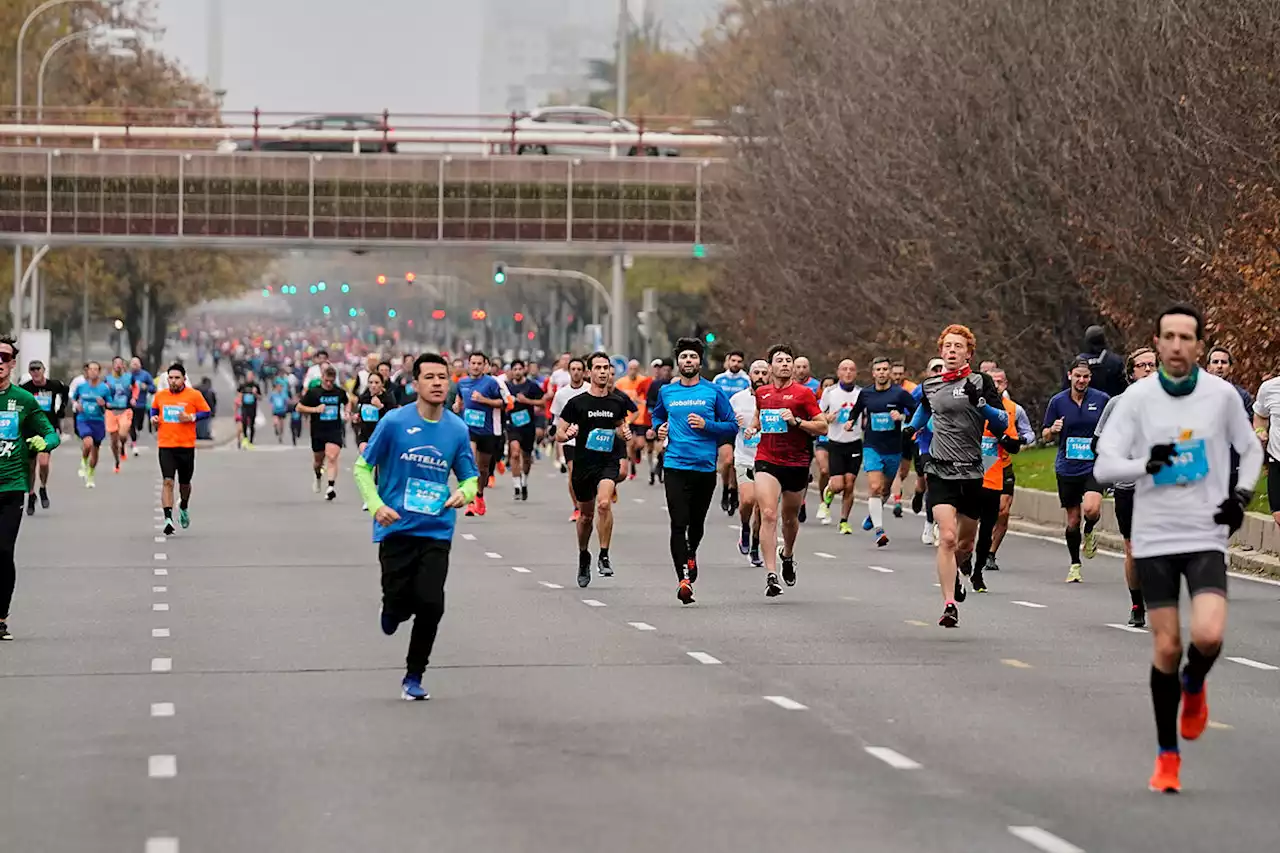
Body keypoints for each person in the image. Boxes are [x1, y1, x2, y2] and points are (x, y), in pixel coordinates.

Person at [1094, 304, 1262, 794]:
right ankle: (1167, 756)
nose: (1176, 345)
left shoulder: (1221, 395)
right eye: (1167, 336)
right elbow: (1106, 466)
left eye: (1186, 337)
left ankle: (1194, 683)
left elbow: (1249, 448)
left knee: (1207, 636)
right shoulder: (1138, 398)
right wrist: (1146, 464)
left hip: (1205, 531)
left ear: (1199, 345)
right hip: (1155, 534)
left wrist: (1241, 497)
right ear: (1158, 341)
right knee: (1166, 645)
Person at [353, 352, 479, 701]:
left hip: (436, 528)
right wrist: (376, 505)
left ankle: (414, 675)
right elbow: (363, 468)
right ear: (416, 383)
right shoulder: (394, 422)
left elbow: (470, 476)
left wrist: (464, 493)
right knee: (399, 602)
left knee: (431, 603)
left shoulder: (456, 428)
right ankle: (391, 608)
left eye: (443, 377)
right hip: (396, 527)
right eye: (430, 377)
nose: (438, 383)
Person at [908, 325, 1008, 627]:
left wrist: (982, 404)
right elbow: (923, 415)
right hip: (939, 469)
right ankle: (949, 603)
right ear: (941, 351)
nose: (952, 351)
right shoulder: (931, 385)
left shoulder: (981, 381)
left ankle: (961, 573)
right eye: (947, 346)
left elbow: (1001, 421)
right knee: (947, 537)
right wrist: (910, 429)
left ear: (969, 353)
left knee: (964, 545)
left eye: (958, 346)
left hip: (972, 471)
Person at [650, 338, 739, 604]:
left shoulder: (713, 392)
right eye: (684, 357)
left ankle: (691, 553)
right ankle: (683, 580)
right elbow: (657, 416)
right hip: (675, 465)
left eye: (693, 357)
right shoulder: (668, 392)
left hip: (704, 467)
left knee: (696, 524)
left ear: (700, 362)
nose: (688, 361)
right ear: (678, 362)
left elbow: (732, 425)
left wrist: (707, 425)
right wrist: (659, 428)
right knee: (678, 523)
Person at [750, 344, 826, 598]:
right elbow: (758, 417)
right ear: (770, 366)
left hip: (796, 462)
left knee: (789, 518)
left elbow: (822, 426)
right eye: (779, 360)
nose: (785, 364)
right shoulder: (762, 393)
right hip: (766, 459)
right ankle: (771, 575)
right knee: (768, 513)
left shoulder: (804, 394)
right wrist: (752, 428)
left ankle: (788, 555)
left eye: (788, 360)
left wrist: (797, 422)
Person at [0, 336, 61, 641]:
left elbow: (50, 433)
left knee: (2, 552)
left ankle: (1, 615)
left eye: (4, 357)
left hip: (12, 486)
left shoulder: (23, 400)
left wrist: (44, 442)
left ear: (12, 363)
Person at [555, 352, 633, 588]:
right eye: (597, 367)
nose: (602, 372)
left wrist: (625, 433)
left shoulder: (616, 402)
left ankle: (604, 555)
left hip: (607, 463)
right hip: (583, 465)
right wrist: (567, 435)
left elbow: (620, 426)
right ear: (589, 372)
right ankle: (583, 555)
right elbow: (558, 432)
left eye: (605, 368)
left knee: (604, 503)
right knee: (586, 516)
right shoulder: (576, 403)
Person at [1094, 347, 1158, 627]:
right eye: (1141, 366)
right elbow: (1099, 443)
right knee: (1133, 548)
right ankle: (1137, 603)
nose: (1147, 370)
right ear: (1131, 373)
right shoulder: (1116, 404)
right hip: (1128, 486)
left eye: (1152, 365)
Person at [1042, 358, 1109, 582]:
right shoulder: (1058, 401)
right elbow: (1045, 434)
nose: (1082, 380)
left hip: (1094, 465)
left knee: (1091, 509)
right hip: (1067, 466)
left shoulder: (1101, 400)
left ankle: (1089, 530)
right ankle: (1075, 564)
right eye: (1078, 376)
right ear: (1070, 375)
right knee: (1072, 520)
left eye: (1086, 376)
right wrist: (1053, 429)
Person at [844, 356, 916, 546]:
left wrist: (902, 416)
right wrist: (851, 421)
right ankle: (879, 530)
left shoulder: (899, 394)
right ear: (873, 373)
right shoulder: (866, 393)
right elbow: (857, 410)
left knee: (884, 490)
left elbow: (916, 411)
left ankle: (872, 515)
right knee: (875, 487)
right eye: (879, 370)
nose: (882, 373)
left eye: (885, 369)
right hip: (872, 446)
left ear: (890, 372)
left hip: (893, 448)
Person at [972, 369, 1023, 593]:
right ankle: (960, 562)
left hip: (994, 474)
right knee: (964, 533)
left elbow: (1015, 445)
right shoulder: (965, 410)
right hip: (967, 475)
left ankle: (978, 570)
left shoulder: (1003, 413)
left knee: (988, 526)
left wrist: (1000, 435)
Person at [150, 363, 212, 535]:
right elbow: (154, 411)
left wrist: (191, 417)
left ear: (184, 379)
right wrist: (154, 419)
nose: (173, 381)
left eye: (177, 378)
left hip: (186, 446)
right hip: (166, 445)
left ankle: (183, 505)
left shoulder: (193, 395)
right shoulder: (160, 396)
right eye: (170, 378)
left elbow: (206, 412)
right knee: (168, 481)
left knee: (184, 484)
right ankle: (168, 518)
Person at [452, 352, 505, 517]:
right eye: (473, 363)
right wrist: (457, 405)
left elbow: (502, 403)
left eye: (479, 363)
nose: (475, 366)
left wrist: (484, 400)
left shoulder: (491, 383)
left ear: (484, 366)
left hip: (487, 431)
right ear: (469, 364)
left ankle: (479, 495)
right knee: (472, 463)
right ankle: (470, 502)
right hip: (469, 430)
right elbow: (459, 398)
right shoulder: (462, 383)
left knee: (483, 469)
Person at [730, 360, 770, 567]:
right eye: (757, 372)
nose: (761, 376)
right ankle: (745, 527)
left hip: (769, 459)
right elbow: (725, 424)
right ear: (750, 376)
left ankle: (755, 545)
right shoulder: (738, 399)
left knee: (762, 508)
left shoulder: (775, 398)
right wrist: (732, 423)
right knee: (747, 500)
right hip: (745, 457)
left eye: (765, 372)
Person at [817, 361, 863, 533]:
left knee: (849, 484)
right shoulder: (830, 392)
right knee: (838, 485)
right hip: (836, 443)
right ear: (838, 372)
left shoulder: (861, 393)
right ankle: (827, 497)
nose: (848, 372)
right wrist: (826, 418)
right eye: (844, 369)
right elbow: (818, 413)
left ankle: (844, 521)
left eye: (852, 369)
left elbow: (866, 414)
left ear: (856, 373)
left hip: (855, 443)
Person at [19, 361, 68, 514]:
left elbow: (65, 390)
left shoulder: (53, 385)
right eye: (32, 370)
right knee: (30, 465)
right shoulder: (25, 388)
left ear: (43, 370)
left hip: (46, 427)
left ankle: (43, 487)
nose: (35, 372)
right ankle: (31, 494)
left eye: (37, 369)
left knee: (44, 462)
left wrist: (61, 409)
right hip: (29, 429)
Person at [297, 365, 349, 500]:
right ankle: (318, 475)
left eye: (331, 381)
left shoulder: (339, 392)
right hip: (318, 430)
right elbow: (299, 407)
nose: (329, 384)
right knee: (318, 461)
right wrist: (315, 410)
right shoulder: (314, 392)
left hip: (334, 429)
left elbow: (348, 401)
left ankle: (331, 487)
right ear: (322, 378)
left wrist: (348, 412)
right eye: (326, 381)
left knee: (332, 457)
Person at [550, 357, 590, 520]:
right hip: (570, 440)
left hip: (590, 440)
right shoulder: (561, 394)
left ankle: (587, 504)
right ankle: (577, 508)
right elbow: (556, 421)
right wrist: (557, 437)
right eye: (573, 369)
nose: (576, 372)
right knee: (573, 474)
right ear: (569, 371)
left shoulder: (590, 390)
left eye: (579, 369)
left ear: (584, 372)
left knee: (588, 475)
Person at [712, 350, 750, 514]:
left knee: (737, 461)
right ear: (727, 361)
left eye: (739, 361)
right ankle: (725, 488)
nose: (735, 364)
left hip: (741, 427)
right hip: (724, 424)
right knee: (727, 461)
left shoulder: (746, 379)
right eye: (733, 360)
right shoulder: (719, 379)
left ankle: (734, 491)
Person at [503, 359, 544, 501]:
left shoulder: (531, 386)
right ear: (511, 371)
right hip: (512, 424)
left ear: (524, 370)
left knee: (526, 457)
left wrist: (528, 401)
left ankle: (524, 481)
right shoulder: (506, 387)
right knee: (514, 453)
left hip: (528, 425)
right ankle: (516, 486)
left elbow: (543, 402)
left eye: (520, 369)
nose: (517, 372)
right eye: (514, 369)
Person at [72, 362, 111, 488]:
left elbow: (109, 404)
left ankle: (91, 473)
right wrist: (76, 405)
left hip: (98, 420)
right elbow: (74, 398)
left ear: (99, 372)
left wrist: (103, 404)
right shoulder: (81, 387)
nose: (93, 372)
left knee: (95, 451)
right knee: (87, 442)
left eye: (96, 369)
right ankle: (83, 461)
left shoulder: (104, 388)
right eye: (91, 369)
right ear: (87, 372)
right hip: (83, 419)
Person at [1253, 370, 1280, 530]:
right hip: (1277, 459)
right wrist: (1260, 431)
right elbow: (1260, 416)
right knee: (1278, 514)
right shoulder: (1269, 388)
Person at [1072, 325, 1128, 398]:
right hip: (1113, 405)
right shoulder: (1115, 361)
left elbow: (1068, 388)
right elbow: (1124, 386)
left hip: (1085, 406)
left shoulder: (1079, 362)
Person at [102, 356, 136, 473]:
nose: (118, 365)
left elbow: (135, 388)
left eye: (120, 363)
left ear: (123, 365)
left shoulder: (129, 378)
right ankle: (117, 461)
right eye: (115, 363)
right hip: (111, 411)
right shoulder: (108, 379)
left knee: (123, 433)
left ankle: (123, 446)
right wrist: (105, 400)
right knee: (113, 440)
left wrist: (134, 398)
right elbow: (102, 392)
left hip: (125, 409)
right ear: (112, 365)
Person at [644, 357, 673, 484]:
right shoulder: (655, 384)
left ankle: (659, 467)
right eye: (664, 369)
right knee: (650, 448)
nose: (666, 372)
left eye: (668, 370)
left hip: (669, 421)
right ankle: (652, 471)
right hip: (655, 419)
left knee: (662, 448)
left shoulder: (675, 384)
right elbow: (648, 401)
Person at [128, 356, 155, 455]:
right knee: (131, 423)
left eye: (137, 363)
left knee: (139, 424)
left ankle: (137, 432)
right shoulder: (127, 376)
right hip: (129, 404)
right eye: (133, 363)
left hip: (141, 403)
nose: (135, 365)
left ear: (140, 364)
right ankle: (133, 440)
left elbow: (153, 388)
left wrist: (146, 387)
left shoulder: (145, 375)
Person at [236, 369, 263, 449]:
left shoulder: (256, 385)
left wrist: (255, 394)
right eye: (248, 376)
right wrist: (239, 401)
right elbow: (239, 393)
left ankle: (251, 441)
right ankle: (245, 438)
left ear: (253, 377)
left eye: (251, 376)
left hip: (253, 407)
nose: (250, 377)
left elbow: (260, 397)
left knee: (251, 424)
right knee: (244, 421)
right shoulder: (243, 385)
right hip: (244, 406)